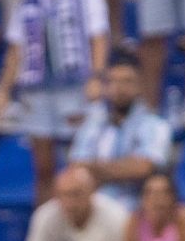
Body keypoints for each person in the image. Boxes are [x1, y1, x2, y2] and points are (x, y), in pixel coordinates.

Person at [0, 0, 110, 202]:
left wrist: (96, 77)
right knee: (43, 167)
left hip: (75, 85)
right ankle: (46, 219)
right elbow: (16, 47)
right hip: (38, 89)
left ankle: (81, 214)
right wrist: (3, 91)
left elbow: (98, 35)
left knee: (79, 161)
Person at [69, 52, 172, 208]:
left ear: (140, 85)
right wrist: (124, 168)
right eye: (112, 81)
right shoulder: (93, 123)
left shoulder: (156, 125)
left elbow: (143, 168)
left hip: (137, 213)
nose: (119, 88)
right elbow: (77, 168)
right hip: (94, 211)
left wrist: (96, 170)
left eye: (127, 81)